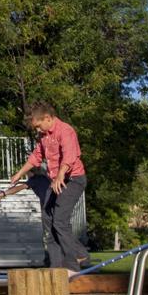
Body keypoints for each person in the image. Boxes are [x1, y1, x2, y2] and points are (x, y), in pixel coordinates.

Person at [6, 102, 89, 274]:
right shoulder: (44, 137)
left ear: (48, 118)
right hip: (57, 182)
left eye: (38, 126)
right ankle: (57, 267)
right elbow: (36, 156)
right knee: (50, 223)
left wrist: (60, 175)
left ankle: (75, 262)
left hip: (73, 180)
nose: (38, 130)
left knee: (59, 220)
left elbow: (70, 155)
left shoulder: (65, 131)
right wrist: (19, 173)